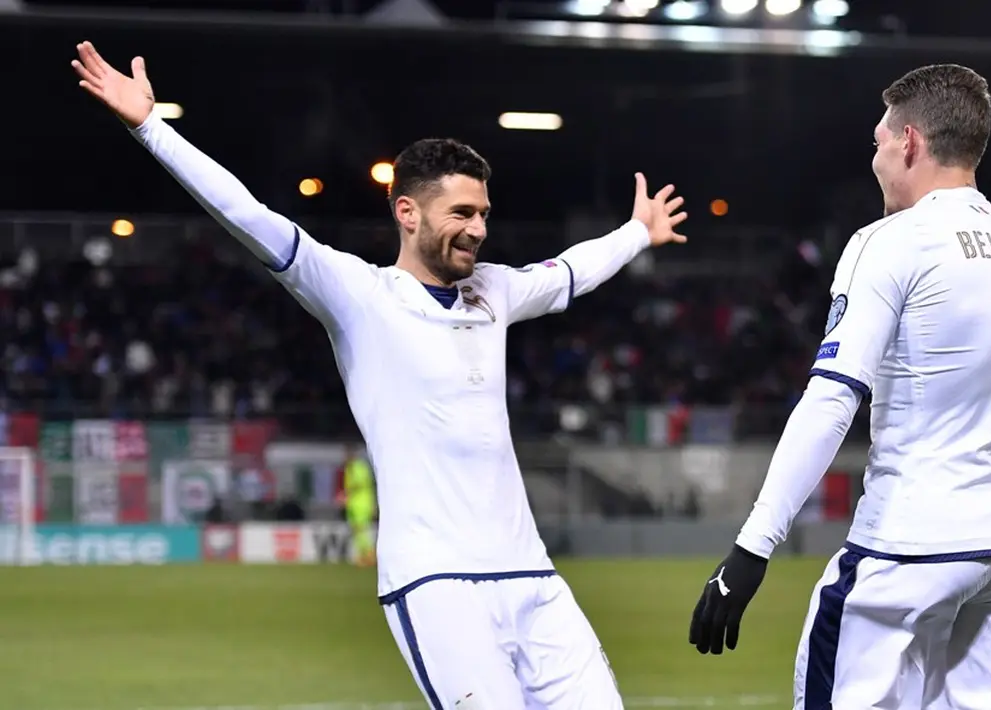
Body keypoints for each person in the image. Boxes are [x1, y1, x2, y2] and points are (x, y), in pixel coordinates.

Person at [73, 40, 688, 709]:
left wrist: (634, 232)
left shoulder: (496, 292)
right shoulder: (357, 295)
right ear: (408, 213)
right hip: (435, 585)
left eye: (483, 212)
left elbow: (571, 271)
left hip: (533, 579)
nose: (479, 228)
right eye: (462, 212)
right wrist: (150, 126)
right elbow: (248, 215)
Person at [688, 64, 991, 710]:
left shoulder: (891, 241)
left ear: (908, 143)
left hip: (911, 548)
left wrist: (751, 549)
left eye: (876, 143)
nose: (874, 160)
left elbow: (832, 397)